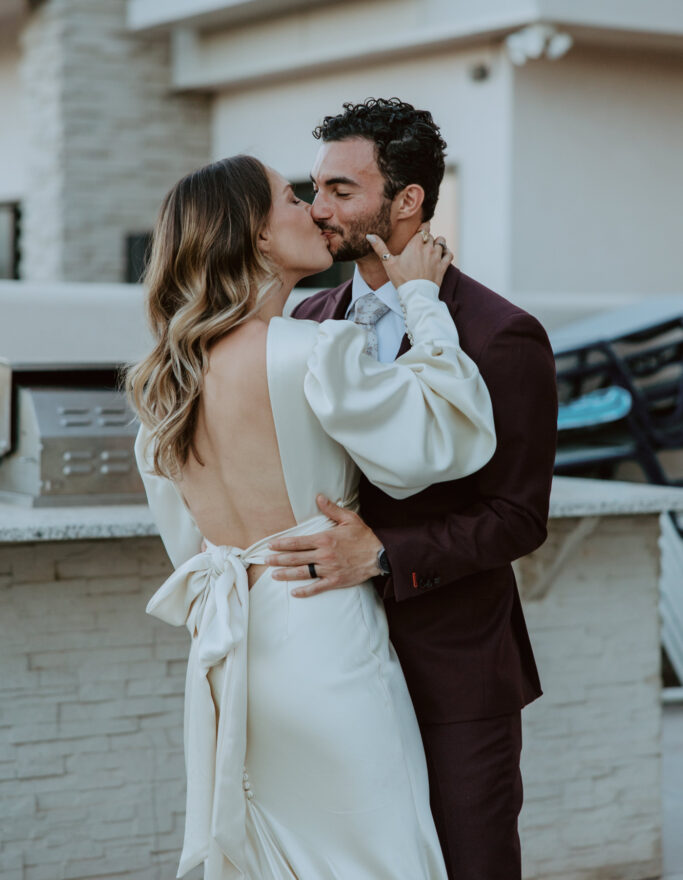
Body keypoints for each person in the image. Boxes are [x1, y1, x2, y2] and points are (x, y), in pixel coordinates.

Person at [127, 154, 497, 880]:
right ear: (258, 237)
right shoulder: (311, 349)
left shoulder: (164, 378)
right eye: (291, 199)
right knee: (376, 856)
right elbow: (448, 433)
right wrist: (420, 298)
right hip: (324, 638)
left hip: (232, 648)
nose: (314, 210)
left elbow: (188, 544)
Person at [270, 98, 558, 880]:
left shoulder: (502, 336)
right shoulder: (306, 317)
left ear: (407, 201)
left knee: (471, 862)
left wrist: (385, 552)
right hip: (331, 657)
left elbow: (516, 518)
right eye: (314, 189)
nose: (319, 209)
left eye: (340, 191)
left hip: (454, 665)